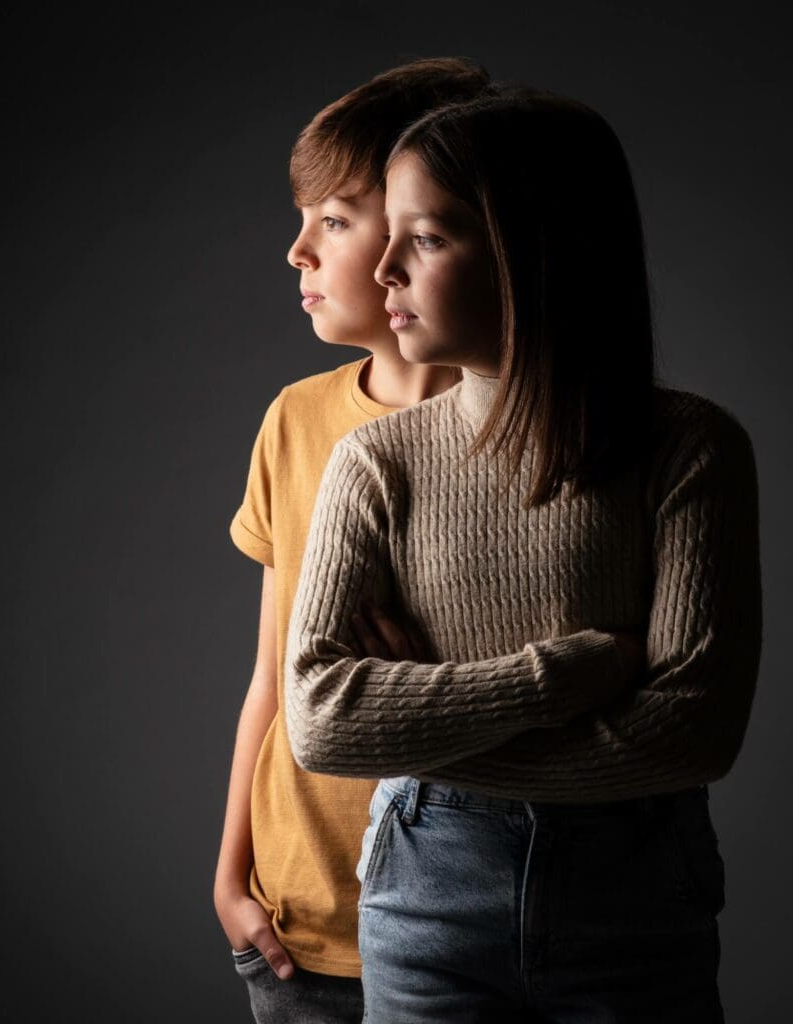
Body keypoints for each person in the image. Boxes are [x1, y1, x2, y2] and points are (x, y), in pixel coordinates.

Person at [285, 88, 762, 1021]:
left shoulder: (690, 448)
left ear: (535, 252)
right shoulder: (376, 462)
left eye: (426, 238)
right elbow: (323, 723)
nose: (381, 268)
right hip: (429, 891)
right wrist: (576, 672)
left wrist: (430, 726)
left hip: (634, 901)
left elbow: (696, 732)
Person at [213, 58, 495, 1023]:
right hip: (295, 923)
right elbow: (272, 676)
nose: (298, 251)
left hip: (460, 918)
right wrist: (230, 873)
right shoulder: (294, 420)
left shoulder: (513, 429)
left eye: (333, 220)